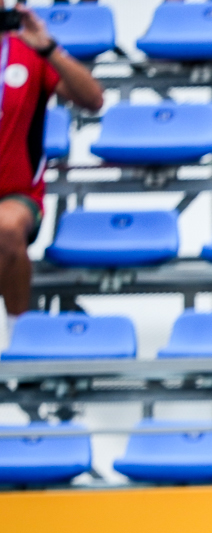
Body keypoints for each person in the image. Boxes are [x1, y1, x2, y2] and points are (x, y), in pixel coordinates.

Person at [0, 5, 100, 336]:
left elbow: (93, 99)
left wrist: (47, 47)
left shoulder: (26, 50)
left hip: (15, 196)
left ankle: (18, 339)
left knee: (5, 227)